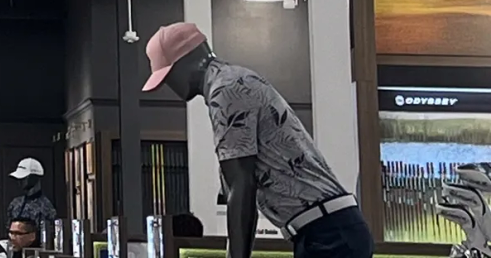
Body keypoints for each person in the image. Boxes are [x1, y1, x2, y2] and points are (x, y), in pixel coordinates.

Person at [144, 22, 370, 258]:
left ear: (185, 61)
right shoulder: (233, 80)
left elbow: (241, 186)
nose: (169, 86)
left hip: (328, 234)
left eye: (168, 76)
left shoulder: (226, 91)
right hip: (328, 230)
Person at [8, 161, 57, 230]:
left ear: (34, 177)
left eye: (24, 178)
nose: (20, 181)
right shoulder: (15, 204)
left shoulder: (46, 207)